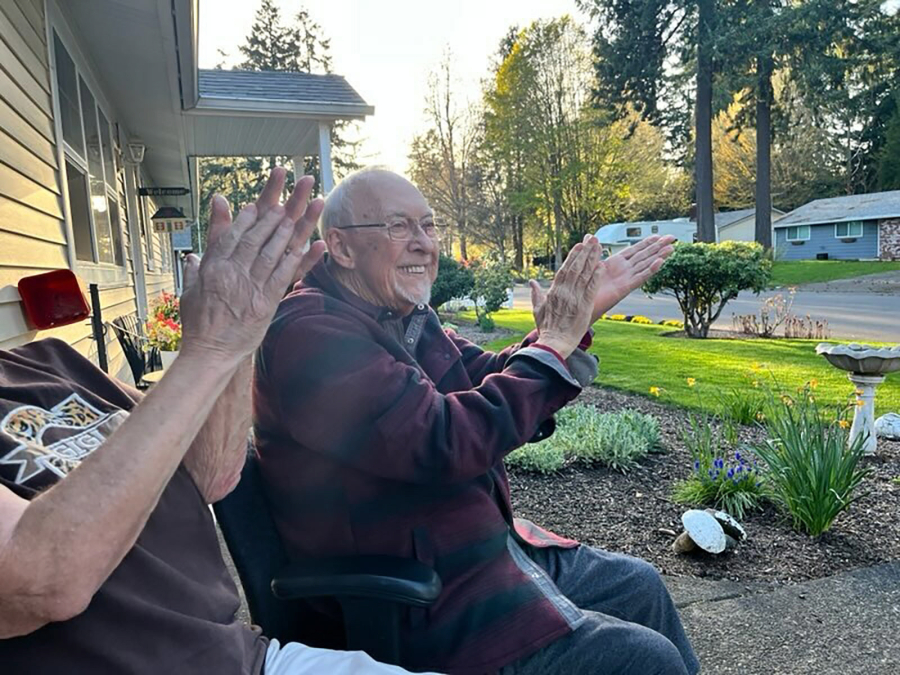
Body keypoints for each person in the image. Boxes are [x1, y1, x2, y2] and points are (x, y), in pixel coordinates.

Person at [253, 167, 701, 675]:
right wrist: (553, 344)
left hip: (475, 550)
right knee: (642, 661)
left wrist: (569, 329)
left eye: (429, 225)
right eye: (399, 227)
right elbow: (442, 439)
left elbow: (486, 376)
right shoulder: (311, 334)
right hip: (417, 598)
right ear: (342, 247)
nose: (423, 244)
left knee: (639, 586)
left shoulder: (402, 316)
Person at [0, 169, 440, 675]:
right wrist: (209, 349)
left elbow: (211, 475)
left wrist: (243, 337)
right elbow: (41, 582)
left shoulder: (55, 362)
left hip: (248, 658)